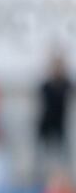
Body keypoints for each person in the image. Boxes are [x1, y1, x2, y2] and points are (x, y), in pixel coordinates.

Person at [36, 53, 72, 183]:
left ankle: (63, 180)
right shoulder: (45, 85)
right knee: (44, 156)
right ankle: (42, 180)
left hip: (61, 125)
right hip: (46, 124)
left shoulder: (67, 84)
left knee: (62, 156)